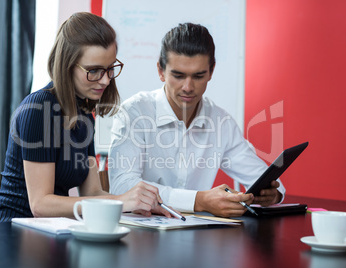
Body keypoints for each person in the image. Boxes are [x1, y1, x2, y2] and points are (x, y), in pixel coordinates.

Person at [0, 12, 171, 222]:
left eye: (110, 69)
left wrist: (136, 205)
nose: (105, 80)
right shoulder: (38, 108)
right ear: (68, 66)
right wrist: (123, 202)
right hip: (14, 235)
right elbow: (40, 204)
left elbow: (93, 193)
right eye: (94, 71)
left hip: (51, 232)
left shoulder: (84, 115)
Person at [108, 22, 285, 218]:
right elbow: (121, 185)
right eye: (178, 75)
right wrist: (198, 201)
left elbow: (261, 178)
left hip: (197, 234)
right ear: (161, 71)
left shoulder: (221, 121)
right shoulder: (134, 112)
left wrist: (273, 195)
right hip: (140, 234)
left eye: (198, 76)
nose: (188, 87)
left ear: (211, 71)